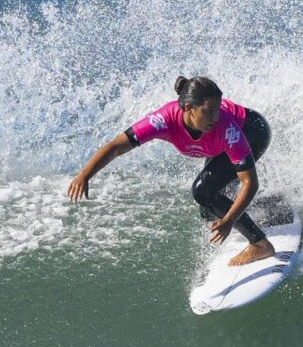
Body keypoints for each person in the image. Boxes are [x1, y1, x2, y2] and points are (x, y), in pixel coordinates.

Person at [67, 76, 275, 266]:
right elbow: (117, 146)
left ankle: (259, 244)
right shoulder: (163, 120)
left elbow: (250, 182)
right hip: (218, 146)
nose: (215, 116)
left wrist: (229, 221)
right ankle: (262, 208)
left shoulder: (225, 127)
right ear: (188, 109)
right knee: (206, 207)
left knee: (204, 192)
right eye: (208, 111)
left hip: (252, 132)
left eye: (218, 109)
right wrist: (85, 174)